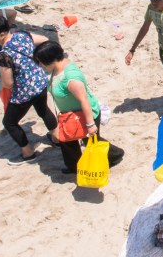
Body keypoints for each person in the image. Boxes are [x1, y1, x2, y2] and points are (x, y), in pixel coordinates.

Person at [33, 41, 124, 174]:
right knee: (67, 142)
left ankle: (116, 155)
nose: (40, 65)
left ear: (51, 60)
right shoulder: (57, 67)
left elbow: (84, 101)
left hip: (86, 115)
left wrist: (90, 124)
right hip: (69, 115)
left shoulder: (71, 78)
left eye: (41, 62)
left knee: (91, 142)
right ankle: (74, 167)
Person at [0, 16, 56, 165]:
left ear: (2, 34)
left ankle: (28, 153)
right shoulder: (22, 35)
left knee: (9, 122)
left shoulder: (4, 55)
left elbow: (8, 83)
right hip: (40, 81)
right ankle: (57, 138)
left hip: (25, 91)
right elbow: (43, 39)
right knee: (44, 111)